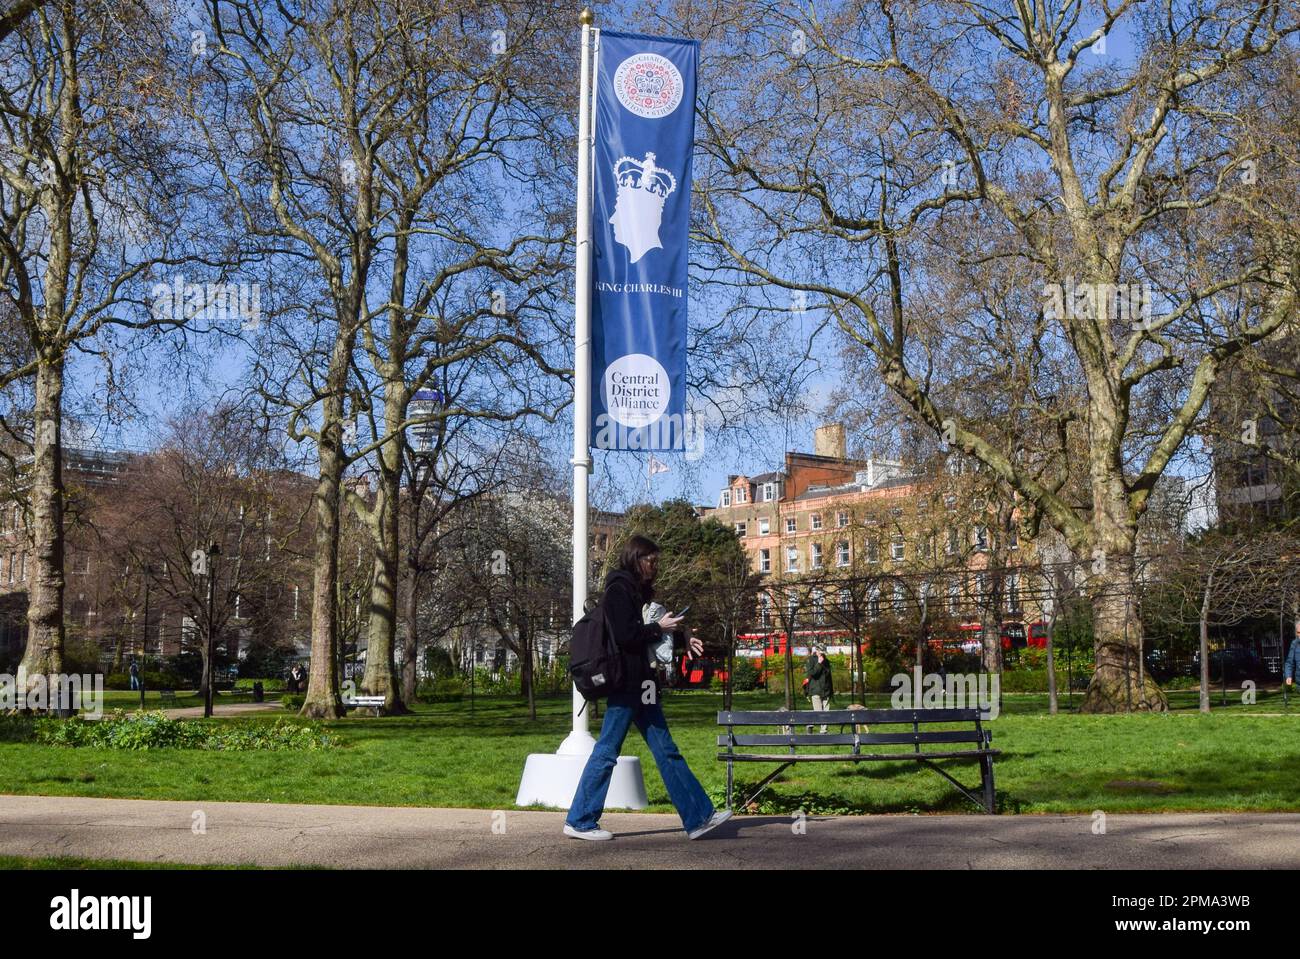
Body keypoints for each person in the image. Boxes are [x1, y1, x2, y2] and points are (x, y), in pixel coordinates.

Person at [564, 535, 733, 842]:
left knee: (665, 749)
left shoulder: (638, 591)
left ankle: (698, 817)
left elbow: (646, 635)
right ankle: (580, 820)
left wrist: (681, 639)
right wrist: (660, 628)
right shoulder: (618, 589)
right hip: (627, 683)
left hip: (642, 683)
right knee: (607, 750)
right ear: (635, 559)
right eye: (651, 561)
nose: (655, 566)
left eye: (657, 561)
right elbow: (627, 635)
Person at [805, 645, 832, 734]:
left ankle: (823, 731)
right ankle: (810, 724)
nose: (823, 655)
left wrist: (831, 691)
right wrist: (819, 663)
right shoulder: (811, 660)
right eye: (822, 653)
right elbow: (812, 673)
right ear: (817, 651)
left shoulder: (826, 661)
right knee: (818, 713)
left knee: (826, 712)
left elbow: (829, 677)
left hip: (826, 690)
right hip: (815, 690)